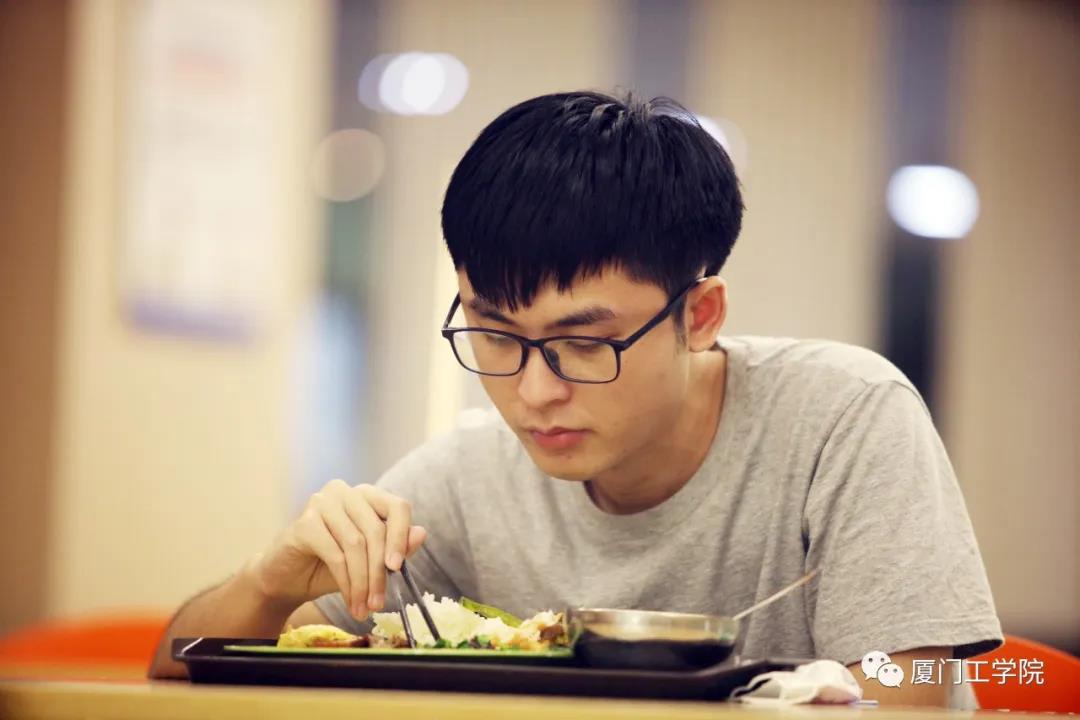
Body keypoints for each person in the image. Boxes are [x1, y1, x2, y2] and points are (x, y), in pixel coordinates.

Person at [149, 91, 1002, 707]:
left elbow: (914, 689)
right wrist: (269, 582)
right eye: (495, 335)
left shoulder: (844, 418)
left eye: (586, 344)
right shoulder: (465, 482)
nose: (533, 392)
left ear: (700, 316)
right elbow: (175, 668)